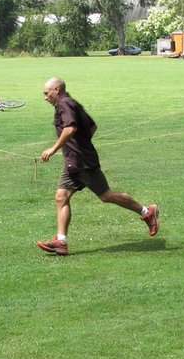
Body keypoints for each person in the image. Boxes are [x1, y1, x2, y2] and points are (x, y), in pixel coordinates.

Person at [36, 77, 159, 256]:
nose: (45, 97)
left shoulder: (65, 104)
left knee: (106, 196)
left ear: (57, 90)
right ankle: (61, 242)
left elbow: (70, 128)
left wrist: (54, 149)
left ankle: (148, 212)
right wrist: (80, 144)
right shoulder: (72, 103)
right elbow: (92, 127)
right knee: (61, 197)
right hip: (73, 161)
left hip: (83, 162)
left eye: (46, 94)